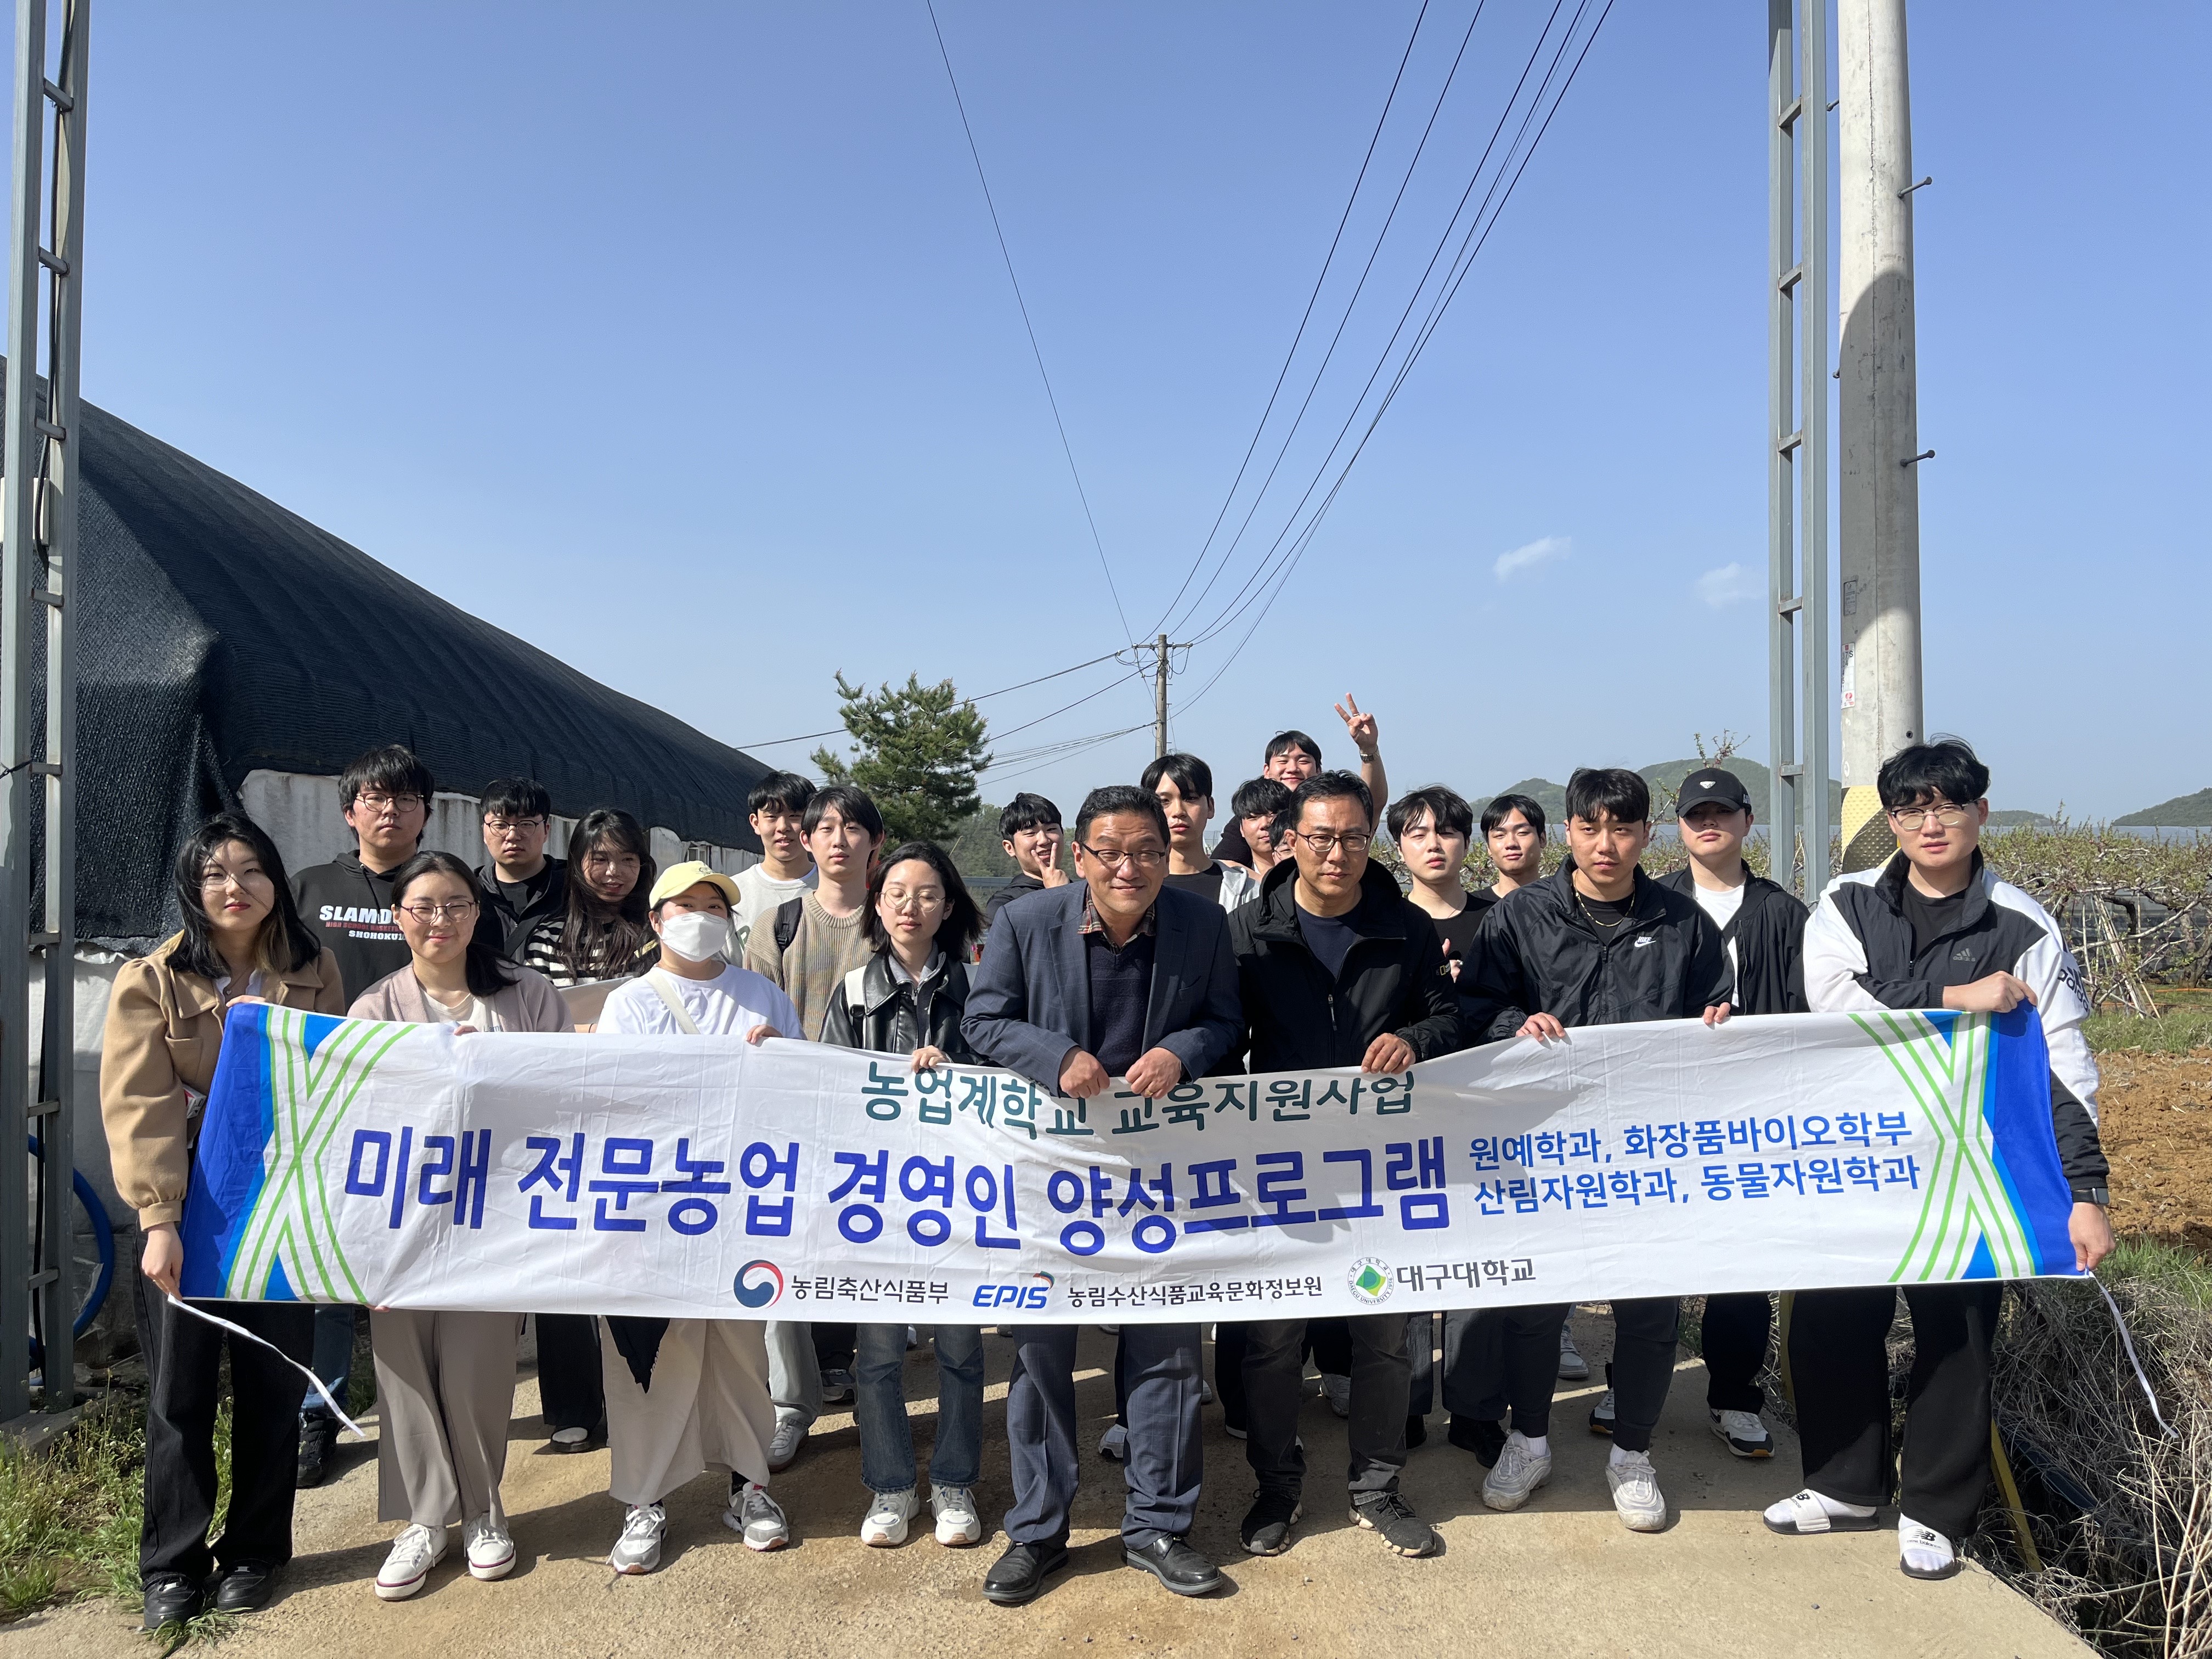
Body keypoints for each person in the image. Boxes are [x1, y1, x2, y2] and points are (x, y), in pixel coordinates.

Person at [1764, 737, 2113, 1581]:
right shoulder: (1847, 903)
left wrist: (2085, 1189)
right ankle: (1843, 1485)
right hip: (1859, 1153)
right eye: (1912, 808)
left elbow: (2063, 1064)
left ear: (1980, 812)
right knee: (1833, 1316)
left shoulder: (2022, 923)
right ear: (1891, 821)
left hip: (1971, 1163)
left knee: (1957, 1334)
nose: (1932, 822)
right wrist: (1959, 997)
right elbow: (1835, 1004)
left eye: (1949, 804)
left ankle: (1933, 1512)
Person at [962, 785, 1243, 1605]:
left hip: (1160, 1173)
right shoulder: (1023, 923)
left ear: (1167, 854)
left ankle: (1158, 1526)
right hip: (1052, 1171)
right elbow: (984, 1021)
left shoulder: (1203, 924)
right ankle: (1038, 1531)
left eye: (1148, 852)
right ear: (1079, 856)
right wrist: (1055, 1057)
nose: (1130, 868)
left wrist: (1184, 1051)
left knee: (1167, 1351)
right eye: (1111, 853)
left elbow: (1229, 1023)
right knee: (1041, 1355)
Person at [1466, 766, 1733, 1533]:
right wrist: (1513, 1023)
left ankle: (1633, 1456)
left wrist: (1721, 1020)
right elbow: (1477, 1005)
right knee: (1534, 1304)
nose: (1606, 844)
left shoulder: (1683, 922)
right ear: (1569, 832)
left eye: (1623, 828)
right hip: (1548, 1148)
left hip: (1648, 1151)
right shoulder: (1521, 917)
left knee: (1649, 1308)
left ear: (1647, 834)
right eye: (1591, 828)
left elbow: (1716, 1011)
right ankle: (1529, 1440)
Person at [100, 812, 346, 1628]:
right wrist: (158, 1220)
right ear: (191, 888)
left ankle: (256, 1551)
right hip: (191, 1217)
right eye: (213, 874)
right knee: (181, 1394)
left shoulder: (315, 969)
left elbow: (330, 1088)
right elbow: (141, 1107)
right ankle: (171, 1566)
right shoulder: (151, 980)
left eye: (250, 870)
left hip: (281, 1210)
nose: (233, 887)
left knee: (275, 1385)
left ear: (276, 880)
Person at [1227, 772, 1468, 1560]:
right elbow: (1220, 1034)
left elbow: (1449, 1017)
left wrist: (1416, 1040)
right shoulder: (1248, 932)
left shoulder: (1405, 928)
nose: (1337, 854)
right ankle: (1277, 1484)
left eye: (1354, 838)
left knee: (1384, 1333)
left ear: (1373, 842)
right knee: (1272, 1339)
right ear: (1290, 841)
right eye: (1322, 838)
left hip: (1378, 1176)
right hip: (1281, 1174)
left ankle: (1376, 1487)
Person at [349, 852, 568, 1600]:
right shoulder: (375, 1007)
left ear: (478, 914)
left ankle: (482, 1512)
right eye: (423, 907)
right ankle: (423, 1520)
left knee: (479, 1366)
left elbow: (565, 1095)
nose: (439, 920)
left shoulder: (528, 994)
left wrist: (495, 1069)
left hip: (496, 1216)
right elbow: (356, 1118)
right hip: (402, 1221)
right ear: (398, 917)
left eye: (455, 905)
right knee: (404, 1367)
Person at [595, 861, 800, 1575]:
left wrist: (779, 1062)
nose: (702, 917)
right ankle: (644, 1501)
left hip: (740, 1207)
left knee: (741, 1352)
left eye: (715, 906)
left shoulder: (763, 996)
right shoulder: (629, 1004)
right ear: (656, 921)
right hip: (655, 1213)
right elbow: (614, 1103)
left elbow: (803, 1096)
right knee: (650, 1359)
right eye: (686, 906)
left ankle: (751, 1486)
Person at [820, 842, 988, 1551]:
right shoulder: (855, 992)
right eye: (896, 893)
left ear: (948, 907)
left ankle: (954, 1481)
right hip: (879, 1197)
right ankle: (890, 1486)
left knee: (961, 1349)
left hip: (960, 1195)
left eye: (926, 894)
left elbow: (1004, 1078)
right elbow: (830, 1085)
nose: (910, 907)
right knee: (880, 1353)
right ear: (877, 905)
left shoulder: (979, 988)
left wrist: (959, 1069)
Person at [289, 743, 441, 1488]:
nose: (391, 810)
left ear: (425, 814)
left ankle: (430, 1406)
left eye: (406, 799)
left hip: (428, 1101)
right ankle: (317, 1412)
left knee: (423, 1253)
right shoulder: (311, 888)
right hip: (331, 1098)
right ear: (350, 812)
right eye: (376, 798)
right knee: (327, 1260)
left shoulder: (442, 886)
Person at [1656, 767, 1808, 1461]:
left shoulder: (1785, 914)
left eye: (1723, 813)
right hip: (1667, 1109)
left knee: (1744, 1259)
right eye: (1697, 815)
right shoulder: (1654, 907)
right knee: (1653, 1252)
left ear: (1749, 821)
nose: (1709, 824)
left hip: (1753, 1114)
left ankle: (1735, 1398)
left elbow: (1812, 1011)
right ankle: (1633, 1388)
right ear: (1679, 827)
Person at [742, 782, 885, 1449]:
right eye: (825, 828)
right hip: (793, 1117)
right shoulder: (777, 926)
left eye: (853, 828)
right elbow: (755, 1018)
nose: (838, 840)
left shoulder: (893, 919)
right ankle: (789, 1407)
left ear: (875, 842)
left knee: (873, 1256)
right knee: (785, 1255)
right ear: (806, 840)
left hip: (879, 1118)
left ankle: (877, 1399)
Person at [1209, 700, 1391, 866]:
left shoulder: (1330, 810)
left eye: (1303, 761)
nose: (1293, 768)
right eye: (1283, 761)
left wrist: (1368, 749)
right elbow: (1222, 867)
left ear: (1318, 770)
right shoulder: (1253, 814)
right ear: (1267, 771)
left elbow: (1371, 804)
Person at [518, 807, 659, 990]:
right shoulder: (548, 940)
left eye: (628, 859)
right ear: (578, 864)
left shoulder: (658, 933)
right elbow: (536, 1005)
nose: (613, 871)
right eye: (600, 859)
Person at [1144, 753, 1259, 910]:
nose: (1178, 811)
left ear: (1210, 807)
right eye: (1164, 801)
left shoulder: (1249, 892)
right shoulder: (1133, 887)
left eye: (1191, 798)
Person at [475, 777, 566, 960]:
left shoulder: (575, 888)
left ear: (546, 830)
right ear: (484, 831)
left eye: (525, 824)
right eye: (500, 825)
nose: (512, 835)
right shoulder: (469, 893)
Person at [734, 771, 817, 961]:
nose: (783, 827)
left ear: (812, 820)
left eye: (795, 816)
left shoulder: (835, 889)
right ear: (756, 823)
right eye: (772, 817)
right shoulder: (733, 893)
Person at [984, 792, 1068, 932]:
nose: (1044, 840)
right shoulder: (1004, 905)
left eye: (1051, 829)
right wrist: (1058, 896)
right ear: (1010, 848)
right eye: (1030, 833)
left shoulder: (1087, 892)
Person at [1481, 791, 1548, 904]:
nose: (1511, 843)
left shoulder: (1563, 903)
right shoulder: (1475, 908)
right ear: (1488, 847)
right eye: (1499, 835)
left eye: (1522, 833)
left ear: (1542, 839)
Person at [1227, 777, 1294, 880]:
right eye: (1253, 817)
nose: (1265, 824)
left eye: (1273, 814)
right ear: (1241, 829)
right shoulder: (1229, 880)